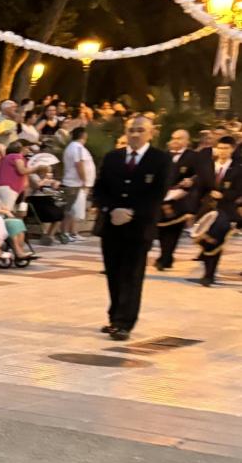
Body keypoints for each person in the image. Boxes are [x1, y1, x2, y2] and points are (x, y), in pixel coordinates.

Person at [92, 114, 171, 338]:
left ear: (151, 132)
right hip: (112, 225)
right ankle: (114, 315)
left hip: (139, 227)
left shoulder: (160, 159)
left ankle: (124, 322)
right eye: (131, 130)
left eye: (140, 130)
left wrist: (132, 213)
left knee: (132, 274)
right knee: (114, 273)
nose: (135, 134)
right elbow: (99, 190)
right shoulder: (112, 157)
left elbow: (158, 193)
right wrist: (111, 209)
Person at [155, 128, 211, 269]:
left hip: (181, 199)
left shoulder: (193, 156)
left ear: (187, 141)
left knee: (174, 230)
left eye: (179, 138)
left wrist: (192, 181)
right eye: (173, 137)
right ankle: (165, 255)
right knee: (161, 230)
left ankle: (165, 258)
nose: (175, 141)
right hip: (163, 199)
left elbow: (202, 175)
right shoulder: (163, 155)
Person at [192, 135, 240, 286]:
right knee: (205, 242)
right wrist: (193, 210)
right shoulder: (209, 166)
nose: (222, 151)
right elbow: (199, 189)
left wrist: (224, 195)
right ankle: (207, 270)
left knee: (216, 241)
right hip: (207, 209)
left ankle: (209, 275)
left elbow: (239, 191)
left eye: (226, 148)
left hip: (225, 210)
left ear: (232, 149)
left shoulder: (238, 169)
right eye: (220, 148)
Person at [60, 125, 96, 244]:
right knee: (70, 210)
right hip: (74, 183)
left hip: (74, 183)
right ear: (84, 135)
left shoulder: (74, 147)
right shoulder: (77, 148)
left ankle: (71, 233)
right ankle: (66, 233)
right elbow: (79, 164)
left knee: (73, 210)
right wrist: (84, 180)